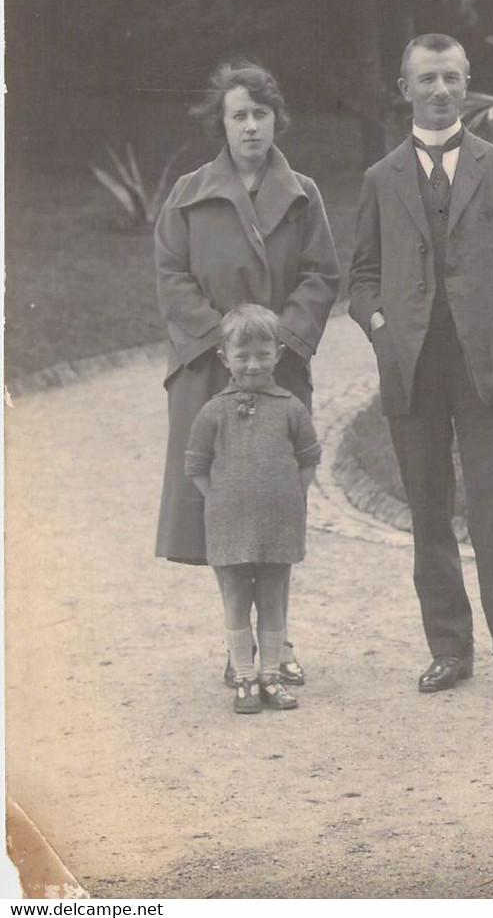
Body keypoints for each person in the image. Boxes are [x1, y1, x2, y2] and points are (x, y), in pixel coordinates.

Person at [349, 33, 493, 701]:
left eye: (450, 78)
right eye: (426, 79)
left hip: (487, 363)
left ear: (466, 84)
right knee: (428, 508)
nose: (439, 90)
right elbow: (361, 275)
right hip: (412, 366)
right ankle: (448, 648)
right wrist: (379, 327)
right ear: (404, 87)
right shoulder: (380, 178)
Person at [155, 59, 339, 687]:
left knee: (272, 508)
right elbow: (171, 275)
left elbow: (321, 274)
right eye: (240, 115)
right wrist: (221, 337)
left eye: (261, 114)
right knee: (222, 514)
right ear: (223, 124)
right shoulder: (188, 193)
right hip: (212, 369)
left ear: (275, 119)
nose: (252, 127)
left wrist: (279, 339)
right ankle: (239, 648)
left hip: (277, 369)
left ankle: (278, 644)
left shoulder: (304, 194)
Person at [185, 305, 321, 713]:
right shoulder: (213, 412)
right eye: (242, 356)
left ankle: (271, 675)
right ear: (224, 358)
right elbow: (195, 466)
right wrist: (218, 499)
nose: (253, 364)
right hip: (229, 523)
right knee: (236, 598)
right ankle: (244, 675)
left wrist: (291, 497)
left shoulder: (291, 408)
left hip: (279, 522)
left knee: (275, 599)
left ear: (279, 353)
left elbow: (309, 458)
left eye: (263, 354)